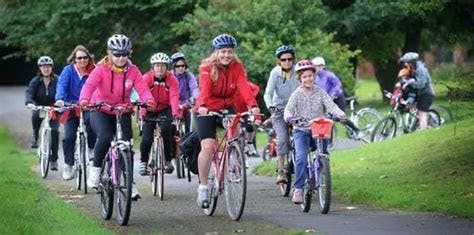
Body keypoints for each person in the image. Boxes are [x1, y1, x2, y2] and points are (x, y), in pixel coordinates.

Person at [79, 34, 155, 199]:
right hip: (100, 109)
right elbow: (89, 85)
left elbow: (142, 88)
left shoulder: (133, 70)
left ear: (129, 54)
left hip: (123, 110)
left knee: (127, 148)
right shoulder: (101, 69)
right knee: (105, 137)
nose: (121, 58)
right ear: (109, 53)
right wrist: (85, 99)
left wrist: (148, 99)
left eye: (125, 54)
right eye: (117, 54)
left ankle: (130, 184)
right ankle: (96, 170)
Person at [195, 33, 260, 208]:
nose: (226, 55)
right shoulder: (207, 68)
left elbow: (244, 87)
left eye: (230, 52)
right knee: (208, 147)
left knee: (236, 133)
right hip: (207, 109)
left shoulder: (236, 67)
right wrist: (202, 106)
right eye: (223, 51)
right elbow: (204, 91)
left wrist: (252, 105)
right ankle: (202, 186)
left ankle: (233, 157)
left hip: (227, 107)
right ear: (216, 52)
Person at [284, 59, 345, 204]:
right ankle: (298, 188)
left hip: (318, 129)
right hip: (301, 130)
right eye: (304, 77)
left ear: (314, 76)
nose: (308, 79)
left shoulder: (320, 92)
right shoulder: (296, 94)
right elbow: (288, 109)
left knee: (323, 154)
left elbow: (331, 105)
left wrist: (340, 114)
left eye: (310, 76)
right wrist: (289, 117)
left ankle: (322, 172)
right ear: (299, 79)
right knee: (301, 157)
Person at [55, 45, 97, 180]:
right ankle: (68, 164)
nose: (82, 60)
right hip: (70, 107)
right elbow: (61, 85)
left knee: (92, 125)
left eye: (85, 58)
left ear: (89, 59)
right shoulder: (68, 71)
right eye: (79, 58)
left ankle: (91, 149)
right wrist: (60, 99)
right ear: (74, 59)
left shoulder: (94, 70)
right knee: (69, 137)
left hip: (88, 106)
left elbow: (98, 87)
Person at [263, 44, 300, 184]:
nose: (287, 62)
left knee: (305, 136)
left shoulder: (299, 71)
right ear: (279, 61)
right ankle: (281, 171)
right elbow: (268, 93)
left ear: (293, 59)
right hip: (279, 110)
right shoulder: (275, 73)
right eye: (283, 60)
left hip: (296, 109)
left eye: (290, 59)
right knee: (283, 137)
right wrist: (271, 106)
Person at [139, 52, 180, 176]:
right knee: (146, 137)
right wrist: (142, 112)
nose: (160, 68)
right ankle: (143, 162)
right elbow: (142, 94)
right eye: (157, 65)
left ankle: (167, 160)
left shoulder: (172, 79)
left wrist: (175, 113)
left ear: (167, 67)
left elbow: (174, 96)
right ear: (153, 67)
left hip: (164, 108)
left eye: (163, 66)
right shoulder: (146, 78)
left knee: (167, 131)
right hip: (149, 109)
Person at [312, 56, 362, 138]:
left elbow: (338, 85)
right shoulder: (315, 78)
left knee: (340, 117)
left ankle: (357, 130)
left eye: (317, 66)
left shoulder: (329, 75)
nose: (315, 69)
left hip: (337, 98)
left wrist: (334, 94)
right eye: (314, 67)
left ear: (322, 66)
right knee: (327, 119)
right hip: (327, 100)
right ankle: (329, 141)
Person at [25, 56, 60, 170]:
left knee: (54, 131)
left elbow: (62, 92)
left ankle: (54, 159)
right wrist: (29, 103)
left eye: (48, 66)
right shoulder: (35, 81)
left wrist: (61, 102)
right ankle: (35, 136)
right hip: (39, 106)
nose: (46, 69)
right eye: (43, 67)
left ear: (51, 68)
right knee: (35, 115)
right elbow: (29, 92)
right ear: (40, 68)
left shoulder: (57, 80)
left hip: (53, 109)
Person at [399, 52, 435, 129]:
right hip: (419, 93)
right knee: (409, 105)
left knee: (422, 113)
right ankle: (422, 122)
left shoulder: (420, 69)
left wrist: (409, 83)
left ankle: (423, 131)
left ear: (411, 62)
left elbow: (421, 84)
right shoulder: (412, 68)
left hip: (426, 94)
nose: (405, 63)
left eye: (406, 62)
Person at [170, 52, 200, 133]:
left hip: (186, 104)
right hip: (172, 104)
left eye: (182, 66)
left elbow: (194, 88)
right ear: (173, 67)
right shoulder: (169, 76)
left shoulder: (188, 76)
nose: (181, 68)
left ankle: (187, 139)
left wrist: (195, 97)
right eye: (178, 66)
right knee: (170, 128)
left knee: (189, 126)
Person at [234, 81, 260, 157]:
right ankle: (235, 151)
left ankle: (249, 143)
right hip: (233, 111)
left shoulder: (246, 85)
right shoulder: (230, 86)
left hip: (244, 111)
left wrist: (250, 97)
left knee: (250, 127)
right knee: (235, 132)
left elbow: (256, 89)